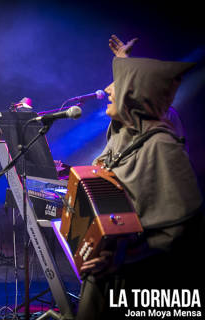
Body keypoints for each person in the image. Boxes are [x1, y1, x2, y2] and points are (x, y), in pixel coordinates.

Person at [75, 37, 203, 319]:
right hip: (107, 282)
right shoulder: (121, 138)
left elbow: (181, 234)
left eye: (117, 85)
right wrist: (122, 63)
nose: (108, 89)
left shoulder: (162, 145)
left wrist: (123, 258)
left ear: (133, 94)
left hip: (139, 288)